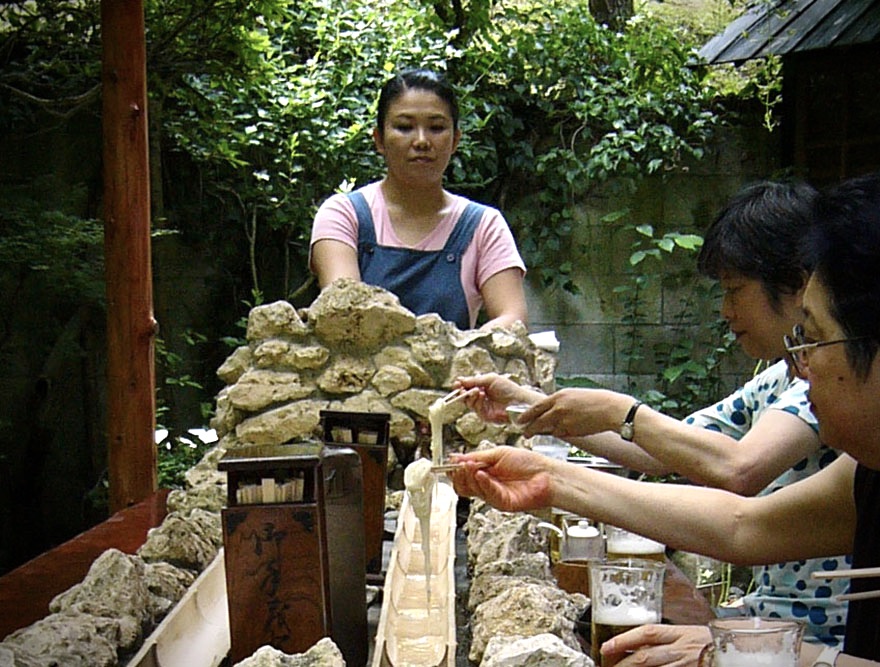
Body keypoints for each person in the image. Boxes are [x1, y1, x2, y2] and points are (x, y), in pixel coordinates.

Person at [448, 171, 880, 665]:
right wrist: (548, 476)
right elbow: (743, 526)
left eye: (814, 337)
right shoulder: (862, 470)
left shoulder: (810, 401)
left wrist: (761, 650)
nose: (802, 366)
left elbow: (738, 471)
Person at [309, 67, 528, 331]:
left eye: (436, 128)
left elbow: (512, 318)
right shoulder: (343, 215)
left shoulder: (484, 226)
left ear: (455, 140)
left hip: (455, 372)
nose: (422, 141)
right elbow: (343, 313)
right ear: (379, 139)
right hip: (357, 373)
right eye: (404, 127)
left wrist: (466, 349)